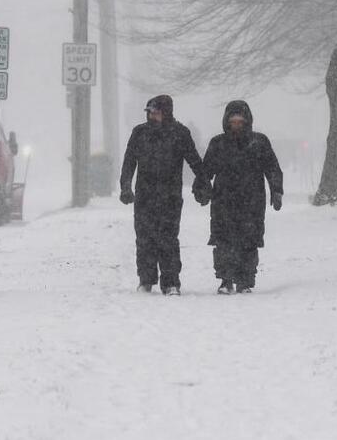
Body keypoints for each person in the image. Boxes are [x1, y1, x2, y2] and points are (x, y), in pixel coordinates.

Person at [120, 95, 210, 295]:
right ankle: (146, 280)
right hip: (144, 196)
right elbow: (129, 162)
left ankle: (171, 282)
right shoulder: (139, 133)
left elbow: (194, 161)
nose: (153, 116)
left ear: (166, 113)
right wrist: (125, 186)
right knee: (144, 239)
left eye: (157, 113)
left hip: (170, 197)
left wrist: (203, 183)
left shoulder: (180, 133)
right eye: (150, 113)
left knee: (168, 239)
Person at [202, 100, 283, 294]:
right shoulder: (218, 143)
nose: (236, 125)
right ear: (227, 122)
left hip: (252, 201)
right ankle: (226, 279)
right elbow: (206, 171)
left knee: (249, 240)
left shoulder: (259, 142)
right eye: (233, 121)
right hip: (223, 201)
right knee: (223, 241)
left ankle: (245, 281)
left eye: (240, 121)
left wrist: (277, 190)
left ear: (247, 121)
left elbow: (272, 168)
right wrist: (202, 189)